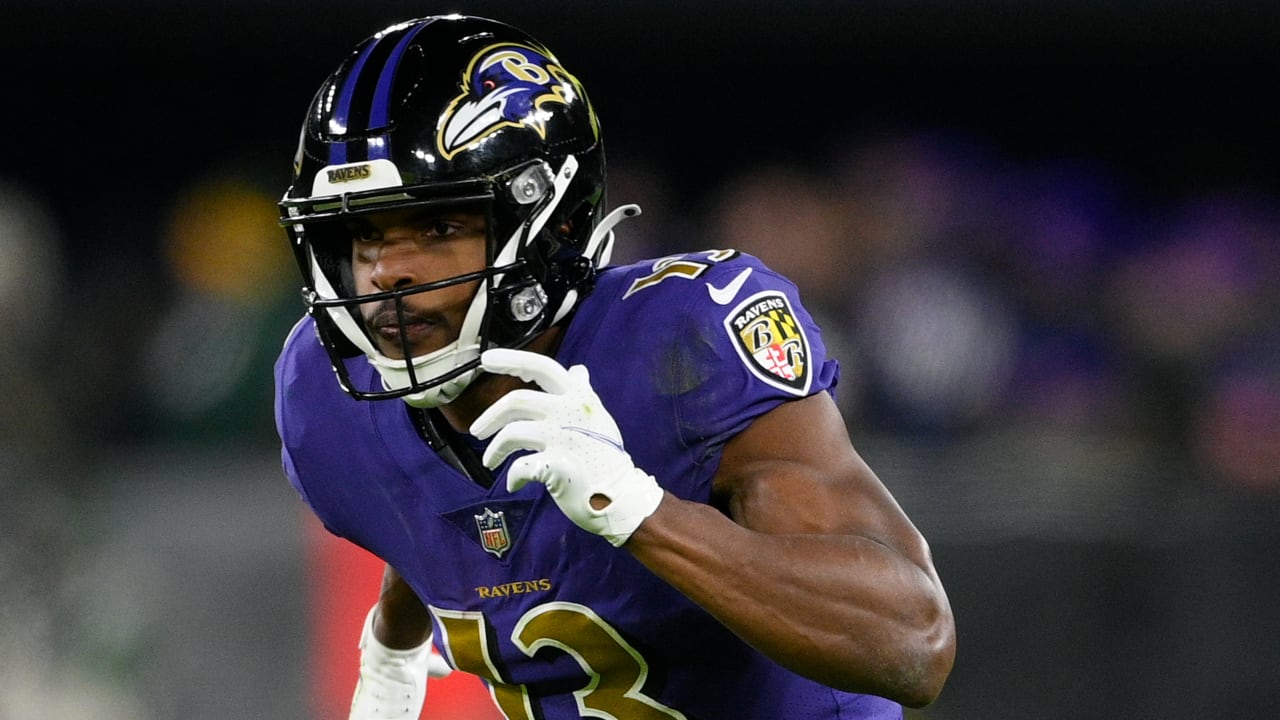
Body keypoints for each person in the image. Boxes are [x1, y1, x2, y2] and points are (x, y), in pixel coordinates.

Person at [273, 14, 955, 720]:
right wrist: (392, 646)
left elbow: (913, 643)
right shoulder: (325, 394)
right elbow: (427, 508)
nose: (389, 274)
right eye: (361, 234)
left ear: (555, 224)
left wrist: (639, 510)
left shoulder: (681, 349)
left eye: (439, 228)